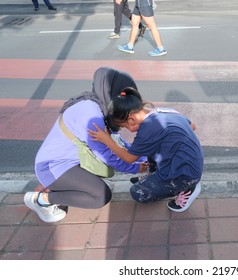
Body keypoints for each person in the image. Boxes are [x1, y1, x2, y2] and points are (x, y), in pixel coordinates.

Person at [24, 67, 148, 223]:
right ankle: (41, 200)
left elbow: (117, 141)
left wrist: (143, 156)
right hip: (52, 166)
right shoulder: (92, 116)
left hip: (72, 162)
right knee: (100, 195)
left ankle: (59, 186)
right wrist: (135, 167)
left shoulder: (98, 104)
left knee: (97, 183)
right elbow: (107, 156)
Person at [88, 87, 203, 212]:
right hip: (190, 162)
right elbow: (193, 126)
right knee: (153, 146)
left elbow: (129, 158)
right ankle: (156, 174)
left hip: (185, 175)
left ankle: (188, 188)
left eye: (125, 126)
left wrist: (106, 140)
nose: (128, 130)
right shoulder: (164, 111)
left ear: (131, 119)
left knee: (138, 192)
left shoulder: (148, 129)